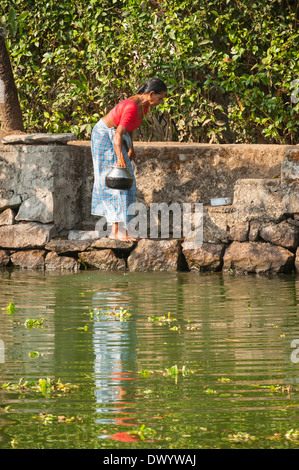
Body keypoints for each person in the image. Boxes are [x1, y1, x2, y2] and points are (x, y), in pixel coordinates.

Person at [91, 77, 167, 241]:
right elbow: (117, 134)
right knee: (116, 181)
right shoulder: (131, 106)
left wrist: (131, 146)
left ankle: (125, 228)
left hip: (119, 137)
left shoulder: (144, 106)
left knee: (128, 183)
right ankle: (115, 231)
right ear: (151, 94)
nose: (161, 102)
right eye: (160, 98)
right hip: (106, 136)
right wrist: (120, 159)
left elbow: (128, 127)